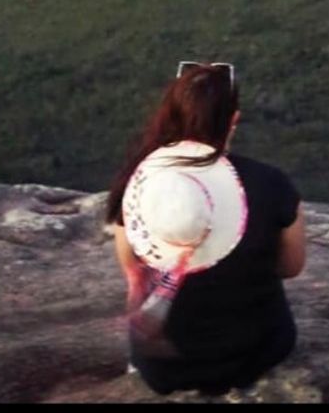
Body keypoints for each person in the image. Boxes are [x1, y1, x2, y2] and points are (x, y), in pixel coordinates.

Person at [106, 61, 306, 396]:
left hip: (163, 367)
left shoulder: (137, 184)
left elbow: (132, 265)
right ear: (234, 120)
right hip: (256, 354)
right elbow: (291, 267)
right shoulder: (271, 183)